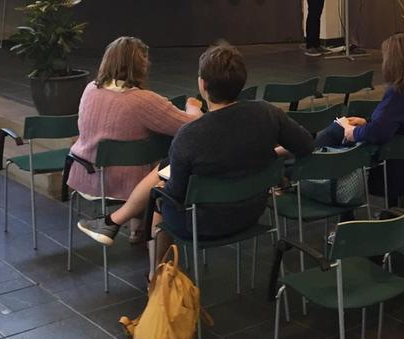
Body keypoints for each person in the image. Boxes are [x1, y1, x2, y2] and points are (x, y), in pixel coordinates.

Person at [76, 42, 314, 248]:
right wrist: (273, 153)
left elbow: (175, 194)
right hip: (253, 212)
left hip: (199, 222)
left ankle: (156, 279)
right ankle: (118, 224)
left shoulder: (190, 136)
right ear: (242, 80)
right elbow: (305, 144)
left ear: (202, 85)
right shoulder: (268, 113)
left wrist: (193, 112)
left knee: (161, 192)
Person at [67, 37, 201, 240]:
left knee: (143, 150)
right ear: (142, 66)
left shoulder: (90, 90)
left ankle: (137, 228)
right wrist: (194, 107)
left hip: (85, 173)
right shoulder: (142, 100)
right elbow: (191, 126)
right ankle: (148, 235)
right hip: (123, 182)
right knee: (167, 163)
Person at [315, 33, 404, 201]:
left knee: (335, 132)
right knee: (338, 132)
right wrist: (365, 123)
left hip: (393, 170)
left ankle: (303, 175)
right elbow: (402, 123)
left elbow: (378, 133)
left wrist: (351, 131)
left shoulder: (399, 93)